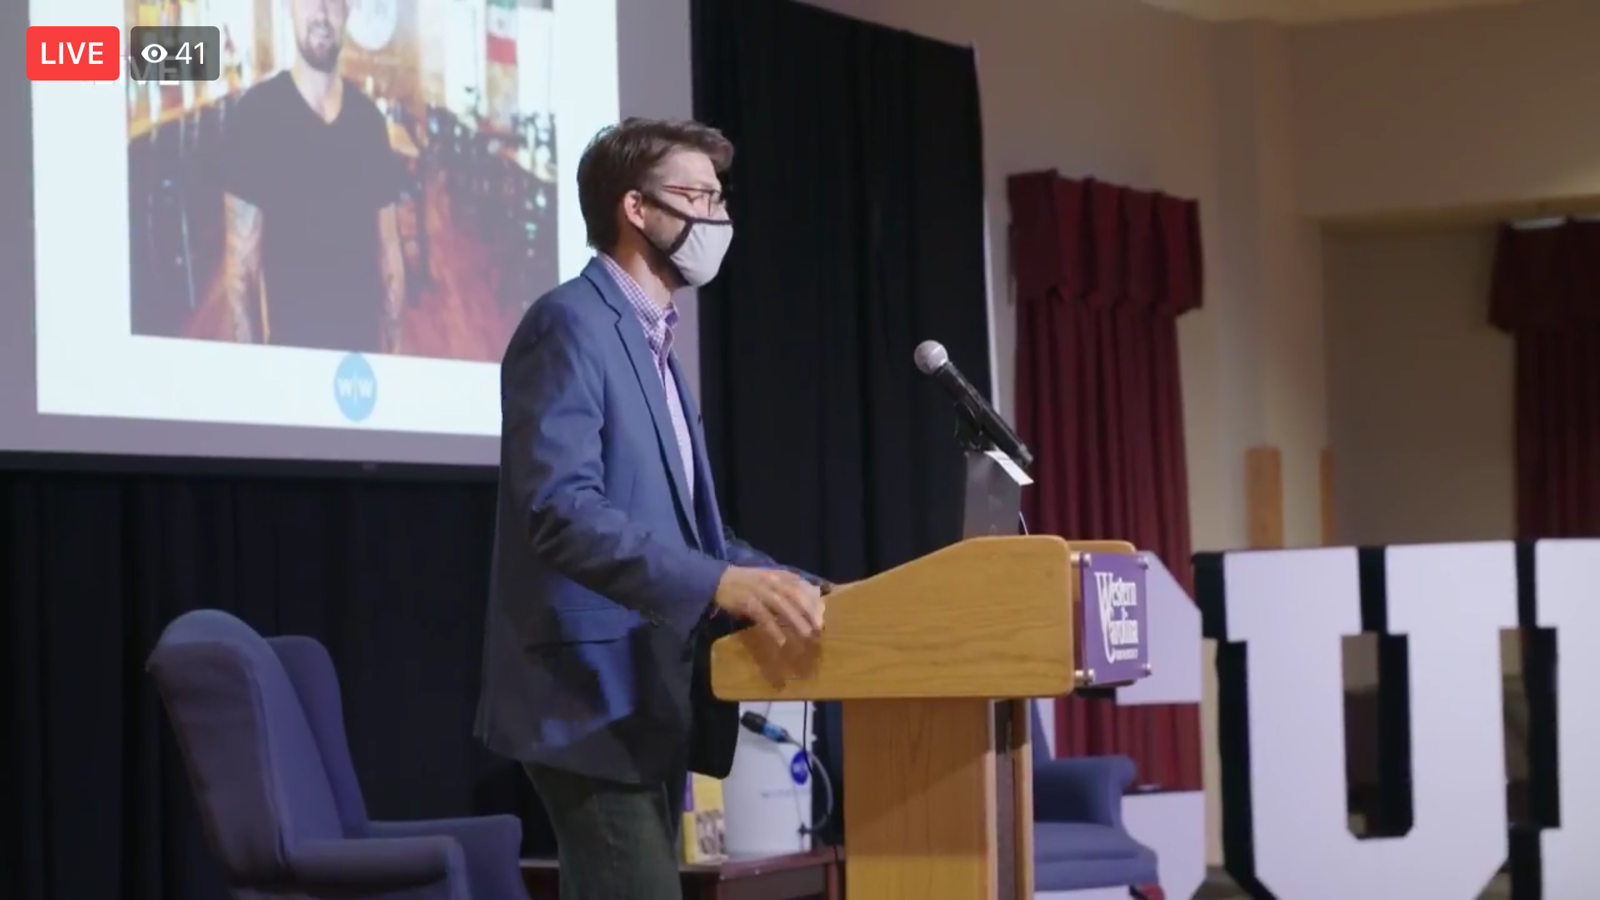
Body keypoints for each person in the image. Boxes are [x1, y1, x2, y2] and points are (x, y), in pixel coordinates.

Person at [475, 118, 829, 900]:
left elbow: (699, 535)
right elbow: (560, 509)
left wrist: (800, 588)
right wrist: (717, 584)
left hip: (647, 693)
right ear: (636, 208)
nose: (718, 218)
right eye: (698, 197)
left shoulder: (655, 344)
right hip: (585, 697)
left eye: (719, 198)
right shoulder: (568, 323)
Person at [220, 0, 406, 353]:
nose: (321, 12)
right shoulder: (256, 116)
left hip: (359, 363)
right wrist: (252, 372)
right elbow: (242, 272)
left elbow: (389, 254)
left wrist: (394, 356)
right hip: (292, 356)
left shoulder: (370, 123)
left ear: (348, 9)